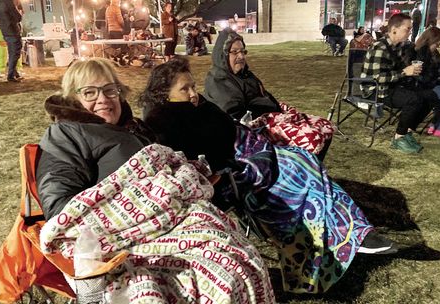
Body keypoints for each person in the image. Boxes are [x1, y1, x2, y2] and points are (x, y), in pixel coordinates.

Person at [140, 57, 397, 295]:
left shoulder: (199, 105)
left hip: (249, 150)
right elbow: (200, 156)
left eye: (193, 86)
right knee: (294, 175)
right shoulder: (163, 121)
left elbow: (229, 126)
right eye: (185, 89)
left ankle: (353, 231)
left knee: (302, 158)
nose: (194, 94)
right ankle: (344, 238)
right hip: (229, 172)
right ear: (164, 93)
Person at [36, 58, 275, 303]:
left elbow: (163, 162)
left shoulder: (133, 127)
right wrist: (138, 201)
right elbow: (59, 206)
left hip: (175, 219)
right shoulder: (66, 134)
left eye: (110, 90)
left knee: (240, 258)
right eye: (89, 92)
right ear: (73, 98)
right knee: (217, 278)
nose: (103, 99)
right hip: (124, 236)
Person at [204, 28, 334, 160]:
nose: (241, 56)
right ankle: (300, 172)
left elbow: (264, 96)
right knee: (312, 137)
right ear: (223, 54)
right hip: (254, 131)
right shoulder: (219, 80)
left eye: (243, 51)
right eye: (235, 52)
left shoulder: (245, 75)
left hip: (272, 117)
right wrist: (268, 115)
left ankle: (313, 169)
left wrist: (279, 111)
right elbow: (236, 115)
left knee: (324, 126)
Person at [361, 13, 440, 154]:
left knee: (430, 96)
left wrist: (414, 68)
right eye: (407, 29)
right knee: (414, 99)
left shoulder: (400, 47)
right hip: (375, 89)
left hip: (392, 86)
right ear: (394, 29)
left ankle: (407, 131)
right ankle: (399, 138)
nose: (410, 31)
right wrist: (404, 72)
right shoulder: (380, 47)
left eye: (411, 28)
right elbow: (377, 78)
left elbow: (405, 65)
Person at [405, 27, 440, 137]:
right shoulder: (419, 52)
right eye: (438, 42)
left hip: (433, 83)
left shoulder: (435, 53)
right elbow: (420, 76)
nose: (439, 44)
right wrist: (435, 79)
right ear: (431, 39)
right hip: (422, 86)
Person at [0, 0, 23, 82]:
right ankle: (11, 75)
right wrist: (18, 11)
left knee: (11, 51)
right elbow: (18, 17)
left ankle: (15, 72)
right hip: (12, 29)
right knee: (15, 52)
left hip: (3, 30)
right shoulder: (8, 2)